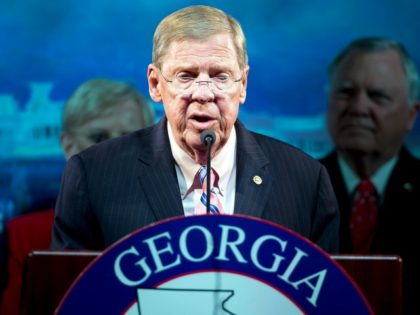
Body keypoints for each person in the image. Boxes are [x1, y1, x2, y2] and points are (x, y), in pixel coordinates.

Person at [51, 5, 339, 254]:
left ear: (243, 84)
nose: (204, 93)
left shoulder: (305, 181)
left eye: (220, 76)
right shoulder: (93, 175)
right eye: (186, 76)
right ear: (155, 84)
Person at [0, 78, 155, 315]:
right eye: (98, 138)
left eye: (128, 137)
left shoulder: (174, 233)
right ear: (68, 146)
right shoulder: (22, 237)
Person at [319, 37, 420, 314]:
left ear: (411, 114)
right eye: (346, 93)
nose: (359, 108)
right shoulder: (294, 184)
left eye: (377, 96)